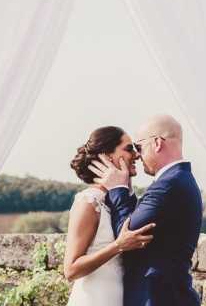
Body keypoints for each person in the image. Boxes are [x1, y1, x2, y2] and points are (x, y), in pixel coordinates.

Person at [91, 115, 203, 306]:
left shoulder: (169, 184)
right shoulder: (177, 180)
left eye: (139, 147)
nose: (136, 155)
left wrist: (118, 189)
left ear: (157, 143)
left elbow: (126, 234)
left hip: (158, 298)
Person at [64, 126, 155, 306]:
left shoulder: (121, 200)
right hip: (94, 298)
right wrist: (117, 246)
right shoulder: (89, 202)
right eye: (129, 149)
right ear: (108, 156)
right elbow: (71, 269)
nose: (136, 155)